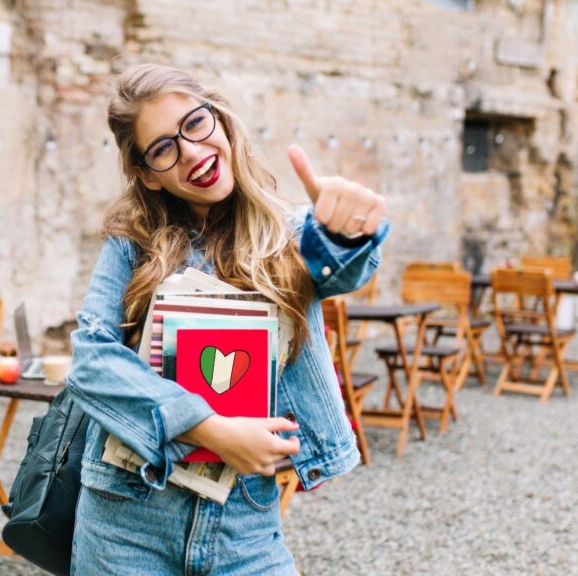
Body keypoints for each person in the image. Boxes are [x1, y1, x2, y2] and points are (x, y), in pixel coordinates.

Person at [66, 63, 389, 575]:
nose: (191, 152)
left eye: (195, 124)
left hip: (245, 524)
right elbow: (90, 360)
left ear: (218, 118)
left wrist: (349, 233)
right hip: (127, 520)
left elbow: (340, 266)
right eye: (163, 148)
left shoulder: (289, 233)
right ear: (148, 174)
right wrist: (209, 428)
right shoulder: (132, 245)